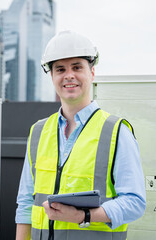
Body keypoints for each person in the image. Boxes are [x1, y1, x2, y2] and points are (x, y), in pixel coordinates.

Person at [15, 30, 146, 240]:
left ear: (91, 73)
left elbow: (135, 203)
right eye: (60, 69)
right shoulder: (38, 132)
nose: (69, 75)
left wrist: (83, 216)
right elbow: (25, 203)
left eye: (77, 67)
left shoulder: (116, 131)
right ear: (52, 76)